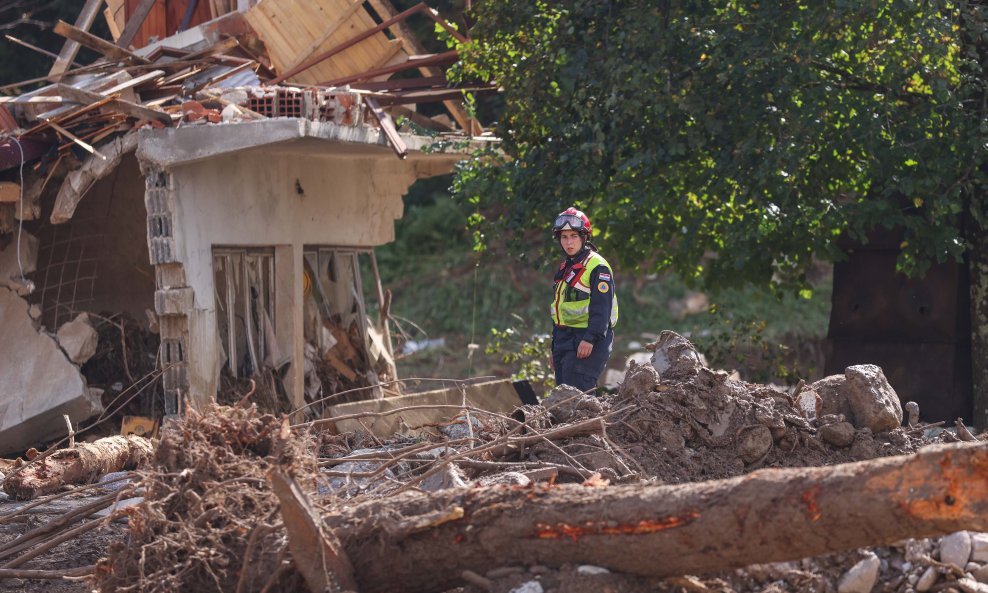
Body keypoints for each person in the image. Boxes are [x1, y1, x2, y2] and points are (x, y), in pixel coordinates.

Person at [549, 207, 618, 392]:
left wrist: (589, 339)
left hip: (587, 340)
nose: (569, 242)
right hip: (564, 339)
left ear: (584, 237)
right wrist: (554, 348)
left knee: (577, 400)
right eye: (564, 237)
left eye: (573, 236)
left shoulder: (597, 266)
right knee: (561, 400)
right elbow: (561, 309)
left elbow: (601, 309)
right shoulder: (567, 266)